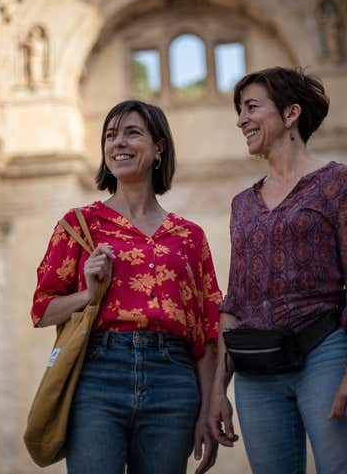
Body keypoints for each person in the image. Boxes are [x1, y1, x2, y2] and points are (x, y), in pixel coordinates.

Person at [31, 100, 221, 474]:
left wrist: (207, 408)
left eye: (132, 133)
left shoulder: (189, 237)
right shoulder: (79, 225)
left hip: (174, 381)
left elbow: (207, 329)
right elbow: (42, 311)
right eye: (110, 136)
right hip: (97, 376)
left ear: (158, 148)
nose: (118, 143)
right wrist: (88, 294)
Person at [208, 67, 347, 474]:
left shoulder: (339, 183)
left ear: (290, 114)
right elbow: (235, 300)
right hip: (256, 369)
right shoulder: (243, 205)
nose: (240, 120)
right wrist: (219, 388)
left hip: (324, 353)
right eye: (239, 110)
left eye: (251, 108)